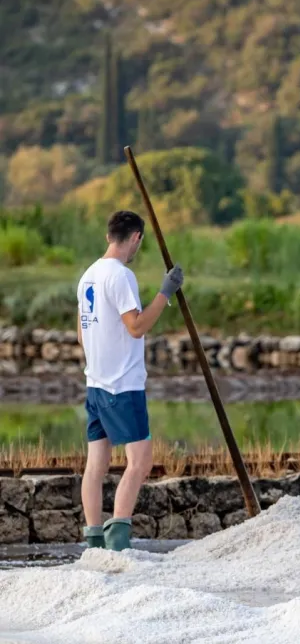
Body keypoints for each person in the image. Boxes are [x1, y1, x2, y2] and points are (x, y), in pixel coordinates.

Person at [76, 210, 184, 551]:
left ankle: (93, 541)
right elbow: (136, 327)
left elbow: (83, 334)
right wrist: (165, 293)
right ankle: (118, 543)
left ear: (110, 235)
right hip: (122, 386)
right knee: (140, 462)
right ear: (136, 237)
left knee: (96, 466)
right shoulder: (120, 276)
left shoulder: (88, 275)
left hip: (95, 385)